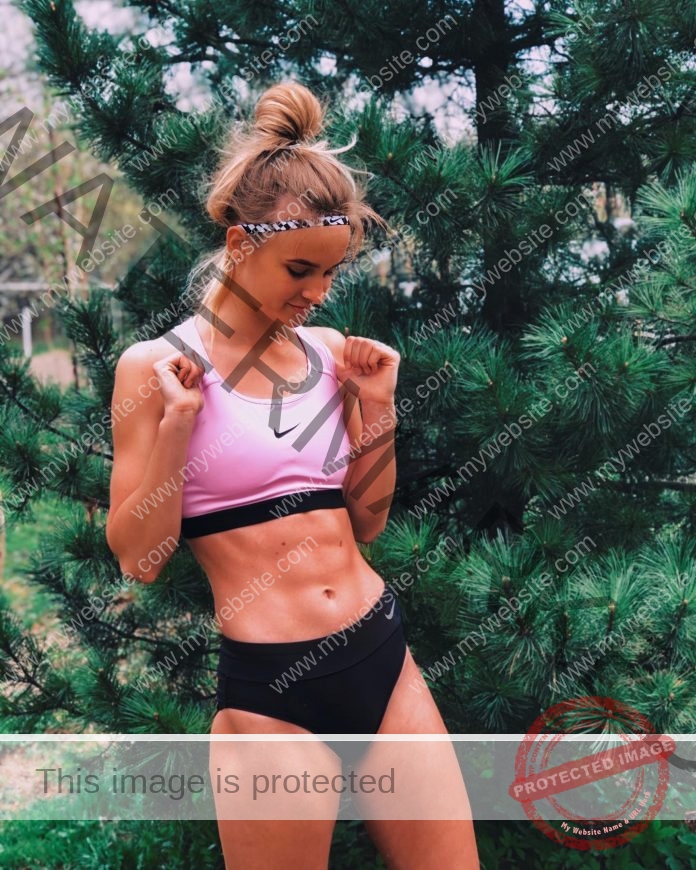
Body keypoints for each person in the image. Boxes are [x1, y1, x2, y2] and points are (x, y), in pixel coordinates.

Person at [106, 80, 479, 869]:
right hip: (273, 698)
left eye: (332, 275)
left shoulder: (330, 354)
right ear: (241, 243)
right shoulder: (157, 368)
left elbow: (367, 521)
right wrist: (177, 427)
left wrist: (376, 405)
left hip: (383, 657)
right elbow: (138, 559)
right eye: (300, 270)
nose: (317, 294)